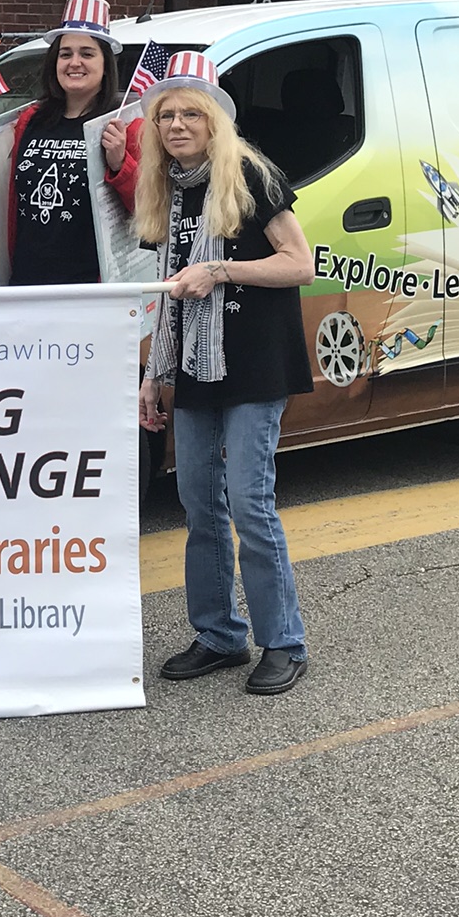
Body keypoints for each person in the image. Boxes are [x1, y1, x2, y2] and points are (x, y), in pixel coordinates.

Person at [134, 51, 316, 696]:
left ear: (215, 122)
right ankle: (218, 635)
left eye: (191, 114)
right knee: (198, 504)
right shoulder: (169, 188)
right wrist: (153, 375)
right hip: (193, 366)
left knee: (248, 503)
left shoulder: (251, 176)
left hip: (256, 362)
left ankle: (284, 642)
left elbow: (300, 263)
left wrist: (221, 270)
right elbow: (169, 291)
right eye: (166, 116)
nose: (177, 126)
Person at [0, 0, 142, 285]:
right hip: (25, 283)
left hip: (89, 291)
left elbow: (146, 212)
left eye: (87, 54)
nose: (74, 63)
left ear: (106, 64)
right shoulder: (30, 120)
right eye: (65, 54)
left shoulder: (125, 125)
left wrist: (120, 164)